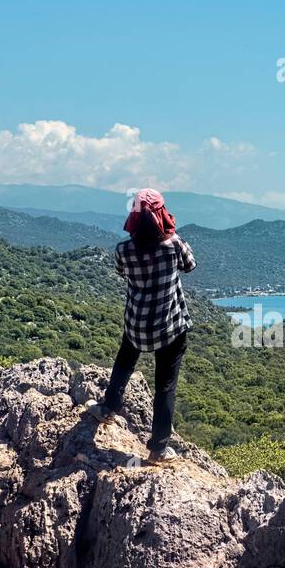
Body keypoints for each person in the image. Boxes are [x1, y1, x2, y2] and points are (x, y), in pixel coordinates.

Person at [88, 188, 196, 463]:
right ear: (162, 213)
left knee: (125, 361)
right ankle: (158, 447)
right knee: (165, 386)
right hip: (169, 326)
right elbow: (190, 265)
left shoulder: (123, 250)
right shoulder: (174, 244)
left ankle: (108, 407)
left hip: (136, 325)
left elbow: (121, 270)